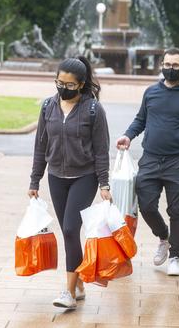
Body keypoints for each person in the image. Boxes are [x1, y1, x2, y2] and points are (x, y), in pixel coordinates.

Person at [116, 47, 179, 276]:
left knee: (176, 209)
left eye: (176, 65)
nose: (171, 69)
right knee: (146, 205)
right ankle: (164, 237)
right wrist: (128, 135)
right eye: (167, 65)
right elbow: (141, 119)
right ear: (162, 66)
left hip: (178, 161)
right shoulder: (151, 93)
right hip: (150, 158)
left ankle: (175, 256)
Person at [28, 56, 112, 309]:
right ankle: (78, 282)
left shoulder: (93, 110)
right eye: (59, 82)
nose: (63, 88)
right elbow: (40, 146)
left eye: (69, 84)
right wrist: (35, 180)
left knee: (69, 228)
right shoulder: (48, 107)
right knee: (69, 232)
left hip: (84, 177)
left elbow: (101, 150)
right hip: (56, 176)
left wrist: (104, 184)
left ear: (81, 84)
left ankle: (68, 293)